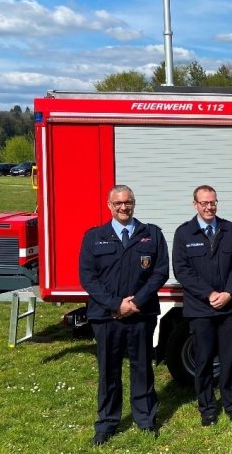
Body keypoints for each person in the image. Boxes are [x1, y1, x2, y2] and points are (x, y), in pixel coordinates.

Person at [78, 185, 169, 446]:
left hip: (141, 314)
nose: (123, 207)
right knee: (109, 370)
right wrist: (116, 305)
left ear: (134, 204)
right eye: (118, 203)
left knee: (142, 368)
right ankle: (107, 422)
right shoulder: (94, 237)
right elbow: (88, 277)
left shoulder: (150, 234)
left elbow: (160, 272)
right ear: (109, 205)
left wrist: (135, 302)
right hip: (107, 316)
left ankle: (145, 419)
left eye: (128, 202)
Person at [173, 185, 232, 426]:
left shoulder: (229, 229)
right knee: (203, 362)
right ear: (195, 204)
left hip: (228, 308)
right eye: (204, 203)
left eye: (213, 202)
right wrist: (209, 293)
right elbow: (182, 270)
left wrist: (228, 293)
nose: (209, 207)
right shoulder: (184, 233)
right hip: (200, 309)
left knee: (230, 360)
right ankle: (207, 409)